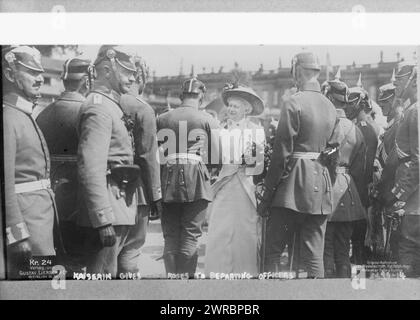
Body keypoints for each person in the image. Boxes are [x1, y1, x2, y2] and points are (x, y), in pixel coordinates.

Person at [256, 52, 340, 278]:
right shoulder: (331, 107)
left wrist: (267, 196)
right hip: (319, 189)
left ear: (297, 70)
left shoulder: (293, 102)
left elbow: (281, 153)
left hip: (290, 190)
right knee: (314, 257)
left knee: (272, 252)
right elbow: (333, 154)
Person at [76, 45, 142, 277]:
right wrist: (102, 218)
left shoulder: (110, 105)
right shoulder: (99, 107)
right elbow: (91, 166)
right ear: (106, 69)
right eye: (126, 71)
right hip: (108, 210)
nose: (133, 77)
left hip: (117, 204)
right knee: (102, 283)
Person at [157, 77, 221, 278]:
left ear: (180, 96)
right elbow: (216, 157)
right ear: (201, 96)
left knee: (170, 236)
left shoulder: (162, 118)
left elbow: (154, 152)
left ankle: (172, 283)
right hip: (196, 180)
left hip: (167, 178)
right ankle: (185, 287)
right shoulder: (208, 119)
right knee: (190, 235)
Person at [2, 46, 56, 278]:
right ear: (10, 74)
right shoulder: (7, 117)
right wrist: (17, 233)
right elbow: (5, 181)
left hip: (39, 219)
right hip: (26, 225)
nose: (40, 79)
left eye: (40, 72)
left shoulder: (21, 114)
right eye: (31, 72)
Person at [36, 56, 93, 270]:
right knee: (80, 261)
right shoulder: (90, 113)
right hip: (81, 198)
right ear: (87, 81)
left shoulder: (43, 114)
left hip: (50, 199)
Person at [204, 83, 265, 276]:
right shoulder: (220, 130)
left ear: (246, 109)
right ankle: (217, 273)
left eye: (236, 106)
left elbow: (259, 164)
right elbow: (213, 160)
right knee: (220, 230)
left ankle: (244, 274)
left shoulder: (256, 130)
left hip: (245, 188)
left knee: (244, 232)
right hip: (223, 187)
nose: (230, 109)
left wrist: (249, 161)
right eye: (229, 105)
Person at [322, 75, 368, 278]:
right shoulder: (356, 129)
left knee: (326, 248)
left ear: (329, 98)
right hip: (349, 193)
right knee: (343, 249)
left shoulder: (325, 125)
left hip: (327, 188)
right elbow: (361, 171)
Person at [119, 55, 162, 256]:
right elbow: (147, 156)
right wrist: (156, 197)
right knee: (131, 251)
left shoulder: (111, 102)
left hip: (108, 189)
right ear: (141, 77)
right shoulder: (143, 109)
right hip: (137, 191)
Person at [381, 61, 419, 277]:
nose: (396, 84)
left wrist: (399, 195)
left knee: (406, 253)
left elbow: (418, 161)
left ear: (414, 80)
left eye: (400, 80)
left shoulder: (415, 111)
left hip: (413, 203)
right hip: (413, 201)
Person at [346, 79, 378, 265]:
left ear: (359, 104)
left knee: (357, 245)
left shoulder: (364, 129)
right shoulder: (360, 127)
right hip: (358, 190)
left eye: (351, 103)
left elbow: (364, 168)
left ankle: (358, 286)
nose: (348, 107)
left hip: (358, 192)